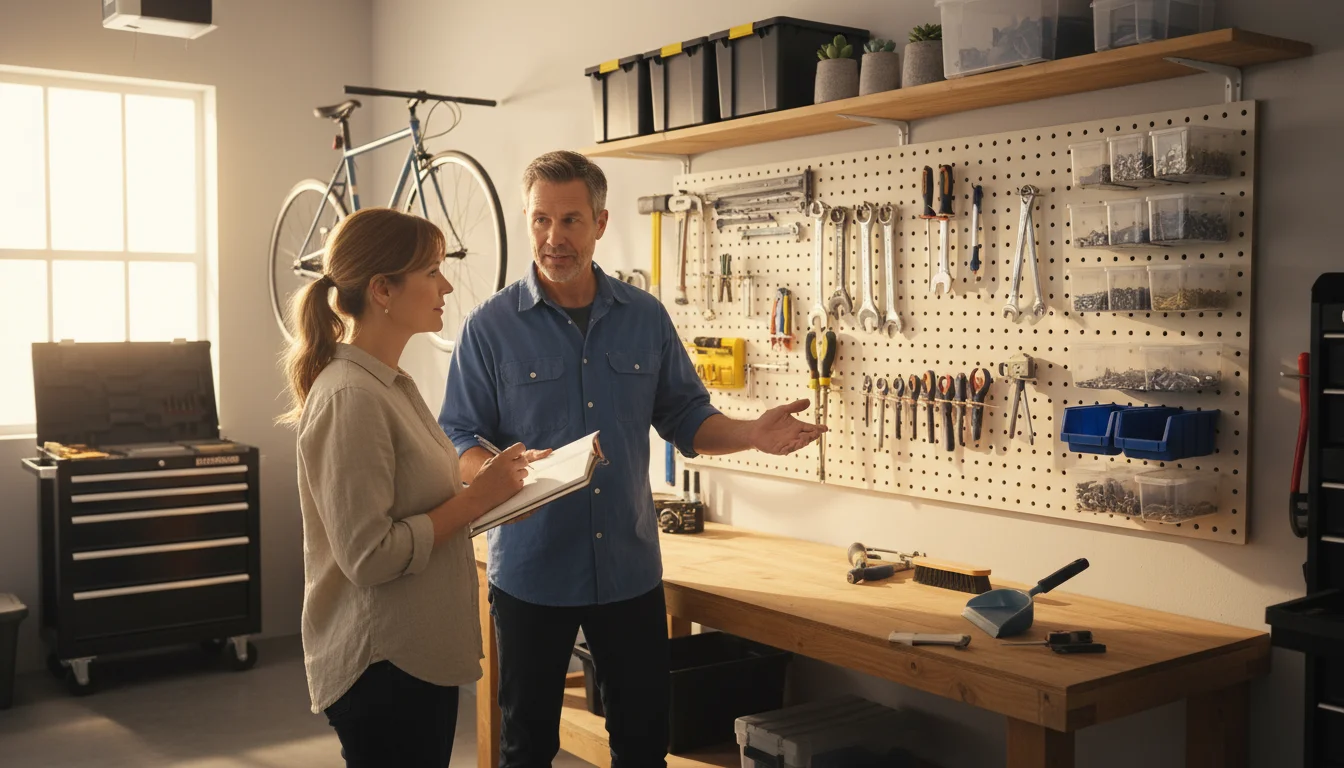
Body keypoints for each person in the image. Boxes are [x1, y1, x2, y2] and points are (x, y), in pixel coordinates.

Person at [439, 150, 825, 767]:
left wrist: (751, 432)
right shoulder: (489, 327)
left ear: (600, 222)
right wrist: (494, 470)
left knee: (645, 745)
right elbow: (458, 434)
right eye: (540, 219)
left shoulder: (644, 317)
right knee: (526, 745)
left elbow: (687, 420)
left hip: (628, 570)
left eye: (570, 220)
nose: (553, 237)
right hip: (533, 574)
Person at [280, 207, 547, 768]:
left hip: (412, 658)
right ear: (382, 290)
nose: (446, 285)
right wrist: (478, 498)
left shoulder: (390, 384)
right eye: (431, 272)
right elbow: (370, 556)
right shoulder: (351, 396)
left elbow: (425, 506)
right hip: (383, 668)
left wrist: (503, 491)